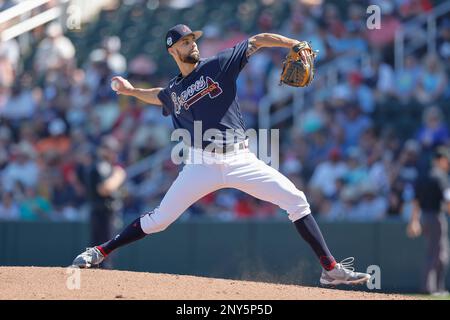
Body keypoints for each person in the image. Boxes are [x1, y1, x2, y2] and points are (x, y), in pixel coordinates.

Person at [72, 24, 370, 286]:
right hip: (200, 164)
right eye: (186, 42)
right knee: (159, 220)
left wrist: (293, 43)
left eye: (194, 40)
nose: (193, 44)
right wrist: (131, 90)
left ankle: (330, 269)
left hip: (240, 160)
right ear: (173, 50)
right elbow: (158, 95)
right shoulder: (175, 89)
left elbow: (259, 39)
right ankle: (100, 251)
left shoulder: (219, 64)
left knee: (296, 200)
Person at [407, 146, 450, 295]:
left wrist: (414, 220)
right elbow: (448, 200)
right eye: (446, 161)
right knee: (438, 253)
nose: (448, 164)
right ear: (441, 160)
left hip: (425, 217)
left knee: (435, 252)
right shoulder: (441, 176)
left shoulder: (423, 175)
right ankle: (432, 288)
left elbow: (415, 201)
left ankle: (434, 287)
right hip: (436, 217)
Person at [84, 135, 126, 266]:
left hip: (104, 212)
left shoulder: (106, 166)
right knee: (105, 251)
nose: (114, 153)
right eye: (111, 150)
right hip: (103, 213)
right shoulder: (102, 165)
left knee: (102, 250)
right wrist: (119, 176)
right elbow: (104, 189)